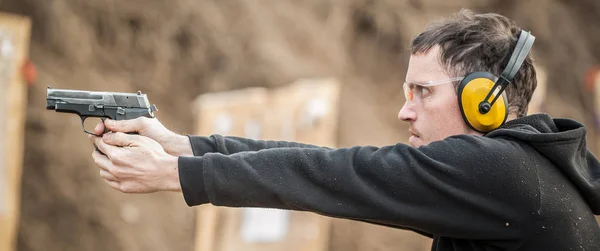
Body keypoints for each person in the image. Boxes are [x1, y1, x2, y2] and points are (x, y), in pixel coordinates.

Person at [88, 9, 600, 251]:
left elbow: (334, 173)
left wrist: (181, 174)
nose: (406, 111)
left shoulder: (498, 170)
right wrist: (187, 147)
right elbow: (329, 161)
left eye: (423, 91)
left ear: (483, 102)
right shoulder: (517, 173)